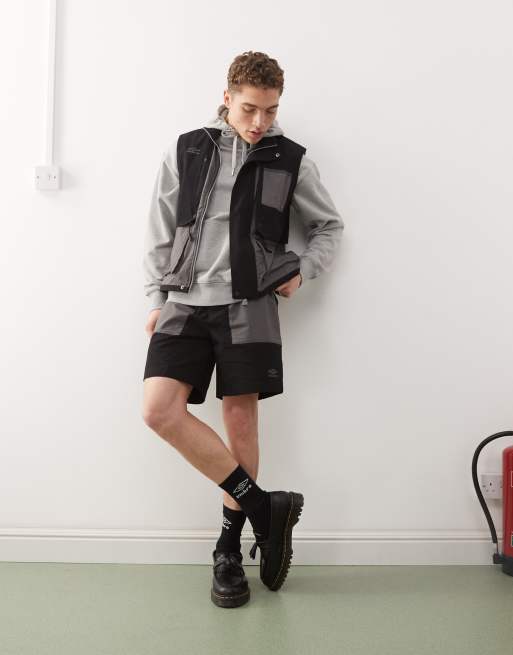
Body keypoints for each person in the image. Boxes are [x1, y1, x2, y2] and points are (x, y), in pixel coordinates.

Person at [141, 51, 344, 608]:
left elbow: (328, 226)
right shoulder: (187, 148)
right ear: (227, 97)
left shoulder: (289, 158)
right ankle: (264, 509)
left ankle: (229, 551)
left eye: (271, 111)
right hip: (184, 301)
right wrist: (156, 299)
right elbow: (160, 229)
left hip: (250, 304)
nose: (260, 122)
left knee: (240, 423)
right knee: (158, 411)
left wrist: (303, 270)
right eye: (250, 108)